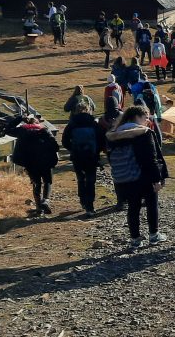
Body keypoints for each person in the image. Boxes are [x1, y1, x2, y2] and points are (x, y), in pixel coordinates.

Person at [106, 105, 169, 248]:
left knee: (133, 208)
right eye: (145, 117)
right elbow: (151, 158)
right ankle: (154, 235)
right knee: (151, 204)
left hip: (125, 177)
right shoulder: (144, 133)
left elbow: (110, 158)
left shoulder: (114, 135)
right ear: (136, 117)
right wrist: (157, 179)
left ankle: (135, 239)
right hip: (145, 176)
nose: (147, 120)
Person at [5, 113, 59, 215]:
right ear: (38, 122)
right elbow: (55, 146)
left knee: (36, 183)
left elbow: (7, 129)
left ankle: (39, 207)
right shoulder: (44, 130)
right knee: (47, 181)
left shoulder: (22, 130)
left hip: (29, 162)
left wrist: (20, 118)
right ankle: (46, 200)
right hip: (45, 161)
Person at [62, 102, 107, 215]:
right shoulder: (93, 123)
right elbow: (102, 140)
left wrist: (72, 149)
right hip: (91, 156)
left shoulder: (72, 124)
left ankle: (82, 200)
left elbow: (64, 141)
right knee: (91, 180)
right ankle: (90, 207)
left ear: (75, 110)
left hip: (77, 156)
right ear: (88, 110)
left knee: (81, 179)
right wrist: (97, 151)